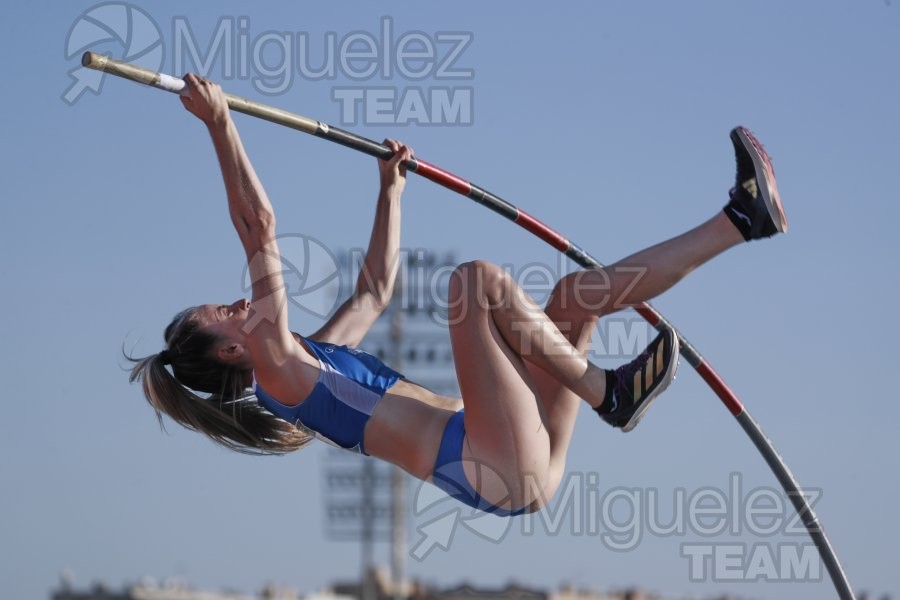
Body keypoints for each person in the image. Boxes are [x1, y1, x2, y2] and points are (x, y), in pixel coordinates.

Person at [129, 74, 787, 517]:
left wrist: (390, 193)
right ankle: (604, 391)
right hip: (491, 462)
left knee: (572, 297)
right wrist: (219, 125)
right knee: (471, 283)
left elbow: (375, 289)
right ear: (226, 354)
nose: (236, 306)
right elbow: (259, 228)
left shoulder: (311, 359)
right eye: (221, 316)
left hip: (513, 454)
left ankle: (740, 220)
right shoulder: (275, 369)